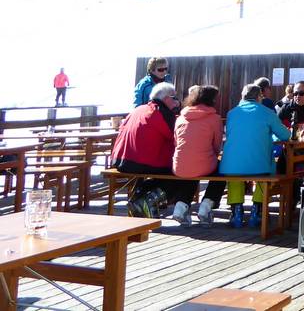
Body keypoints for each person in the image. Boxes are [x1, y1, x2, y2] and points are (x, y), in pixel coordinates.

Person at [111, 82, 189, 216]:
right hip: (141, 162)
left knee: (170, 171)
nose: (177, 102)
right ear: (167, 99)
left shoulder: (138, 109)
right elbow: (177, 138)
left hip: (120, 161)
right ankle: (148, 200)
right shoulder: (161, 112)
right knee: (183, 173)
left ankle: (139, 196)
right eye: (175, 98)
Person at [219, 83, 291, 228]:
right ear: (259, 97)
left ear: (242, 96)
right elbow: (285, 135)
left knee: (235, 175)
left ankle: (236, 212)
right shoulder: (267, 113)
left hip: (231, 165)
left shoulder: (232, 113)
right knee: (263, 175)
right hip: (260, 164)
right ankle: (256, 211)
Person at [172, 85, 225, 227]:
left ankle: (181, 205)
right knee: (222, 170)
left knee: (191, 169)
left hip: (179, 165)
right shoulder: (214, 118)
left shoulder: (180, 118)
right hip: (203, 163)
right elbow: (217, 145)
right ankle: (207, 204)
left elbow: (176, 142)